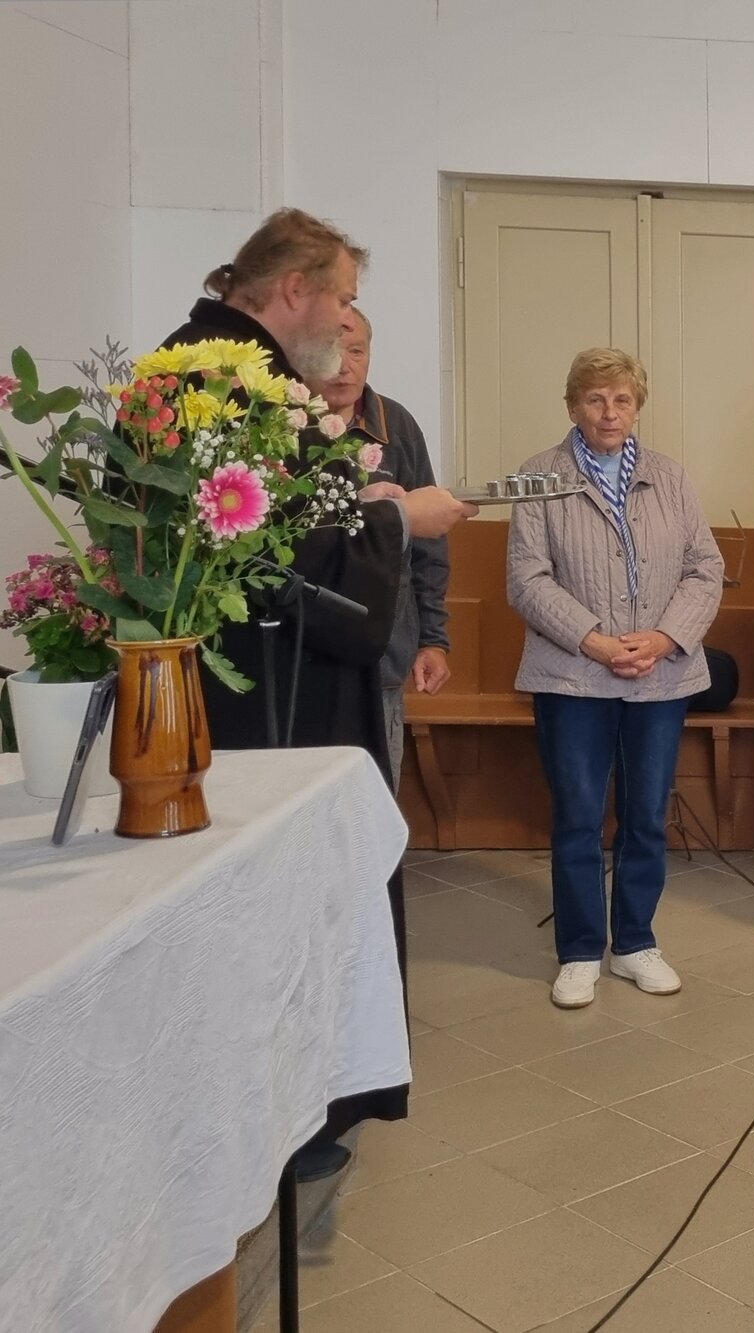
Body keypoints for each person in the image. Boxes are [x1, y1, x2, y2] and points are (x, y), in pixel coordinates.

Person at [158, 207, 475, 1180]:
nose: (345, 321)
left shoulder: (220, 369)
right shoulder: (227, 384)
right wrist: (399, 516)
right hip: (272, 715)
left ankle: (294, 1105)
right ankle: (282, 1116)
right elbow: (299, 574)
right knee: (278, 926)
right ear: (293, 288)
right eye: (342, 298)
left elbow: (281, 534)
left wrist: (364, 508)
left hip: (267, 698)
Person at [507, 348, 724, 1010]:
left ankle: (634, 943)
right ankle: (578, 952)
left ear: (637, 407)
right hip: (574, 675)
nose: (609, 411)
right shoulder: (539, 476)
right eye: (596, 399)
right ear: (573, 406)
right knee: (577, 817)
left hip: (658, 675)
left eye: (622, 399)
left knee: (646, 816)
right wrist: (596, 642)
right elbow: (527, 579)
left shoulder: (670, 476)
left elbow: (704, 567)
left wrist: (662, 638)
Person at [306, 307, 451, 789]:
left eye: (356, 351)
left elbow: (428, 547)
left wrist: (433, 640)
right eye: (331, 352)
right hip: (304, 654)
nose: (344, 366)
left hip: (383, 652)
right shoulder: (283, 424)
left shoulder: (398, 426)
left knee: (374, 799)